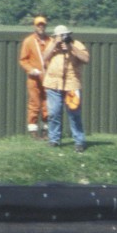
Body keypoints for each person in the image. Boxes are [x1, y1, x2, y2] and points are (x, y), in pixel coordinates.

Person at [41, 24, 90, 152]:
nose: (63, 37)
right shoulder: (52, 44)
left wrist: (70, 47)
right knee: (54, 113)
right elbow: (43, 58)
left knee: (74, 114)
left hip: (72, 84)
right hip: (53, 84)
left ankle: (79, 141)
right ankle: (54, 140)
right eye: (60, 35)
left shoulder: (76, 44)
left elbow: (86, 59)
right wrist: (54, 45)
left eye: (65, 35)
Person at [18, 15, 50, 140]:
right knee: (34, 104)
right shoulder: (29, 41)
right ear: (34, 26)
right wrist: (31, 70)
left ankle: (46, 131)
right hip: (34, 78)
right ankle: (33, 132)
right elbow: (23, 60)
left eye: (43, 25)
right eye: (38, 25)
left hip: (48, 78)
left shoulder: (50, 40)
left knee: (48, 104)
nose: (41, 27)